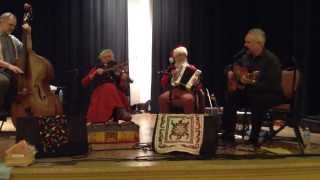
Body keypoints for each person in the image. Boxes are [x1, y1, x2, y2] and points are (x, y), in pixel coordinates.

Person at [221, 28, 284, 147]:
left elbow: (272, 85)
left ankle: (254, 138)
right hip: (252, 92)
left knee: (257, 99)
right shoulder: (246, 56)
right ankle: (228, 133)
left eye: (248, 42)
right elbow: (232, 66)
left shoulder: (271, 60)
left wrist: (250, 83)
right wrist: (236, 75)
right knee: (232, 96)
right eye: (245, 42)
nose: (245, 45)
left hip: (271, 94)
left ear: (259, 44)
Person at [82, 49, 131, 124]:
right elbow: (84, 82)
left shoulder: (115, 69)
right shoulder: (97, 68)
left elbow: (123, 87)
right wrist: (95, 73)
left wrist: (123, 79)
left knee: (115, 90)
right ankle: (120, 111)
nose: (108, 58)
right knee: (109, 87)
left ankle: (120, 112)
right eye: (105, 57)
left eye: (110, 57)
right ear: (101, 58)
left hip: (113, 91)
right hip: (100, 91)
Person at [159, 46, 202, 113]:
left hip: (187, 91)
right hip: (173, 91)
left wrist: (196, 83)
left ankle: (188, 122)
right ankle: (165, 121)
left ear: (186, 57)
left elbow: (199, 86)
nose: (180, 58)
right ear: (175, 58)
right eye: (178, 56)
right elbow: (163, 82)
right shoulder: (171, 68)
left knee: (188, 99)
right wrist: (170, 76)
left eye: (182, 56)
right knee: (162, 98)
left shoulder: (192, 68)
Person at [0, 12, 26, 110]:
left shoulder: (13, 39)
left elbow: (26, 50)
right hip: (1, 72)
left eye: (14, 26)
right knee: (3, 81)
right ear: (1, 22)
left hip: (10, 73)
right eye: (10, 25)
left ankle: (18, 113)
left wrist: (28, 33)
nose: (12, 28)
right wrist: (9, 66)